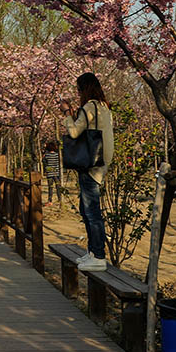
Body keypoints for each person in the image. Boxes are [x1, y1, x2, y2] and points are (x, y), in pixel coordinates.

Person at [62, 72, 114, 272]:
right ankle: (92, 252)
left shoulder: (90, 106)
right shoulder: (103, 107)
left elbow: (74, 132)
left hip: (90, 166)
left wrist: (67, 113)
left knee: (91, 212)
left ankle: (98, 255)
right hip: (100, 163)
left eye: (79, 89)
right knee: (87, 210)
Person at [43, 141, 62, 205]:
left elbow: (44, 163)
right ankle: (60, 199)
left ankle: (50, 201)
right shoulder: (57, 155)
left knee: (50, 187)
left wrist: (48, 170)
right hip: (57, 173)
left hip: (49, 174)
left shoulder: (46, 155)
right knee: (58, 187)